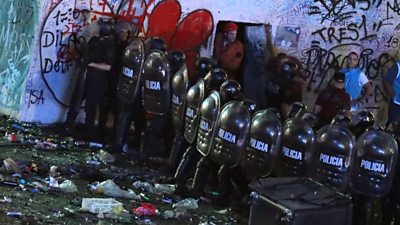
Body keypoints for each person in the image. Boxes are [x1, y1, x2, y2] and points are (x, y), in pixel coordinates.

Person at [382, 60, 400, 125]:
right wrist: (394, 96)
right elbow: (386, 81)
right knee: (392, 130)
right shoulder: (398, 66)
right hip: (397, 106)